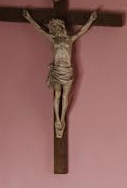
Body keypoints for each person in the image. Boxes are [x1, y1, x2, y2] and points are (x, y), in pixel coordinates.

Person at [21, 9, 97, 138]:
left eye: (57, 27)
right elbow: (40, 29)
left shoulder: (70, 39)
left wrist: (91, 19)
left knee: (65, 97)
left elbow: (82, 30)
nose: (56, 30)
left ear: (61, 27)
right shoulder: (53, 39)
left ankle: (62, 119)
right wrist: (29, 18)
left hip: (67, 71)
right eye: (54, 28)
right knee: (57, 94)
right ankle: (57, 119)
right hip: (57, 70)